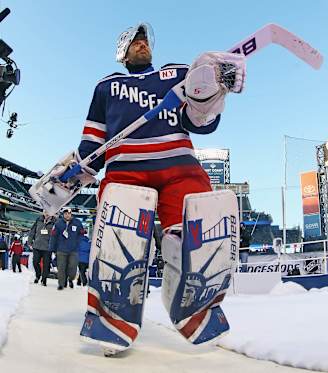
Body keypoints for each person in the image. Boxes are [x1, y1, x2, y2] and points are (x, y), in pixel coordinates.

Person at [72, 23, 246, 351]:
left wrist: (209, 95)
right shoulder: (106, 87)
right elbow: (92, 142)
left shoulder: (179, 74)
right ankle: (113, 321)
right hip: (125, 170)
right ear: (122, 51)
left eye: (144, 40)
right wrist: (75, 172)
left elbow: (200, 123)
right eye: (135, 42)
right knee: (118, 245)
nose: (142, 45)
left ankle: (192, 306)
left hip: (179, 166)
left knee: (196, 239)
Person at [49, 208, 83, 290]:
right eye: (65, 213)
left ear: (71, 214)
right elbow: (53, 236)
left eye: (69, 213)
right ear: (63, 214)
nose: (67, 215)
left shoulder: (77, 223)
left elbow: (82, 234)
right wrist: (52, 249)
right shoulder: (58, 223)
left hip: (73, 250)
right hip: (61, 250)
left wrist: (79, 244)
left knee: (72, 268)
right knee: (61, 268)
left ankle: (70, 279)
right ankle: (61, 284)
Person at [28, 210, 56, 286]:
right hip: (37, 246)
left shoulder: (55, 222)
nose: (46, 213)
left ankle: (44, 280)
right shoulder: (39, 220)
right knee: (35, 262)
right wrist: (29, 242)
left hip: (47, 248)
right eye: (45, 212)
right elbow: (32, 231)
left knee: (46, 265)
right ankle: (38, 275)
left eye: (48, 212)